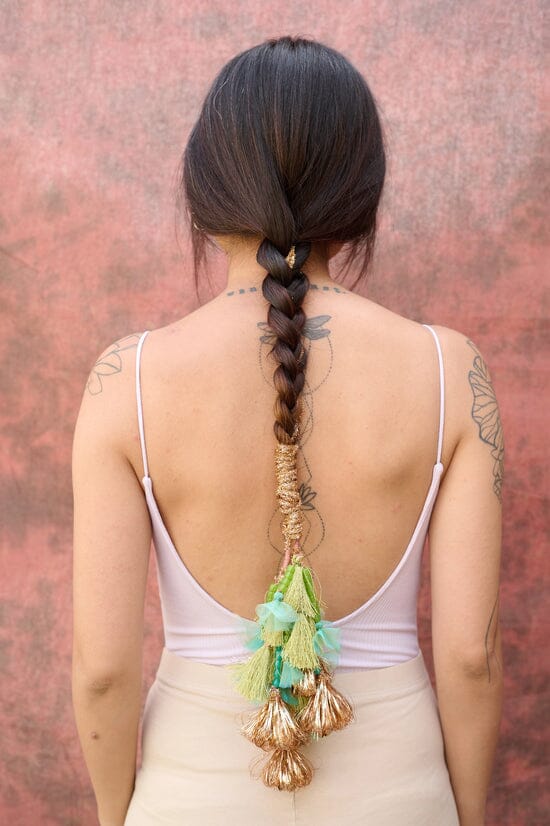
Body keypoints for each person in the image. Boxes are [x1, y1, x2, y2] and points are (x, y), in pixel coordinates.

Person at [71, 35, 503, 826]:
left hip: (191, 794)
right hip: (397, 792)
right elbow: (472, 658)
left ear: (206, 190)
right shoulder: (449, 370)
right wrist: (467, 814)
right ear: (362, 192)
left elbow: (102, 670)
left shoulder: (124, 380)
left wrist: (118, 813)